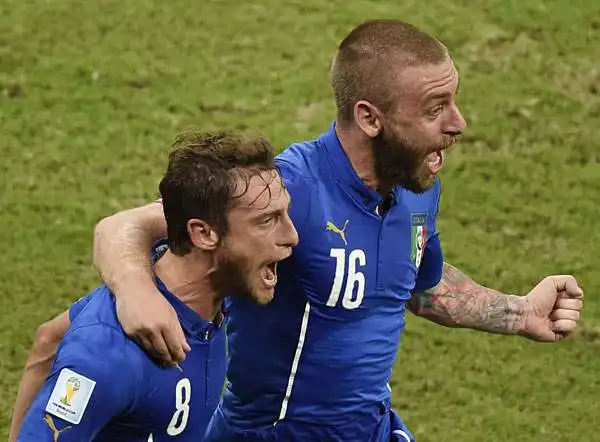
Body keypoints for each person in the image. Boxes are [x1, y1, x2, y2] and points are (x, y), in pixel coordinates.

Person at [16, 19, 584, 442]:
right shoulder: (288, 192)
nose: (458, 124)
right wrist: (135, 289)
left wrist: (519, 313)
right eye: (436, 108)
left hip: (372, 428)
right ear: (370, 117)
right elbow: (122, 227)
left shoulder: (415, 183)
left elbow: (418, 285)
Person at [13, 131, 298, 441]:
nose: (292, 236)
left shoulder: (210, 292)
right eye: (267, 221)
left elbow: (48, 340)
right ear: (203, 234)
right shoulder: (108, 355)